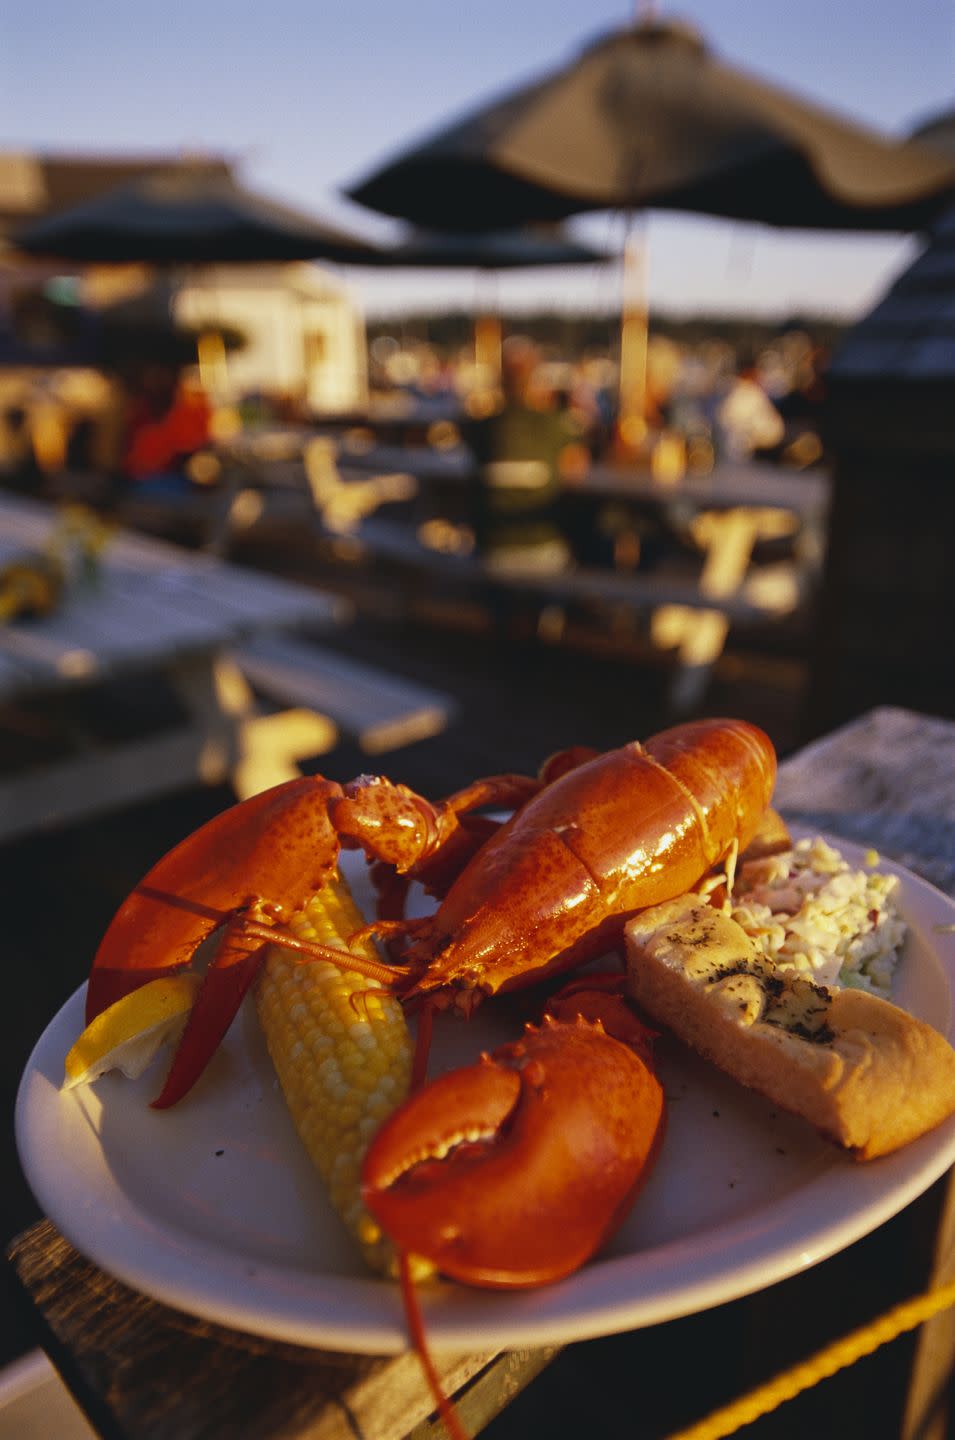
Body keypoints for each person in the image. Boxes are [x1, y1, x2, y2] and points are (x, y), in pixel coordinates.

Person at [461, 337, 585, 577]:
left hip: (491, 551)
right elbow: (577, 471)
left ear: (499, 383)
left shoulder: (480, 428)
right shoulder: (554, 425)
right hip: (543, 550)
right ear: (536, 381)